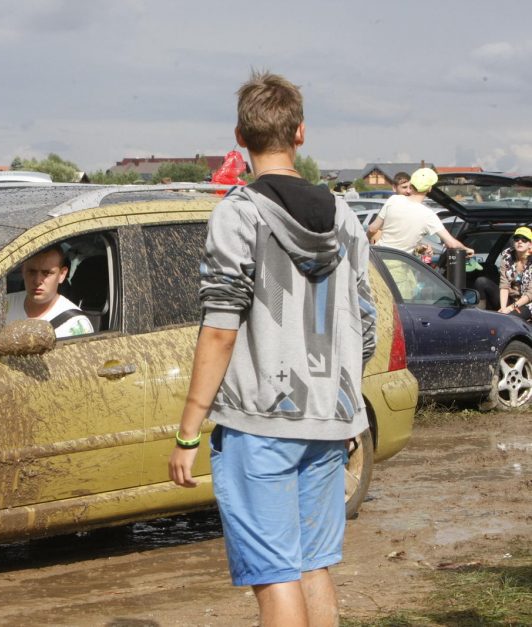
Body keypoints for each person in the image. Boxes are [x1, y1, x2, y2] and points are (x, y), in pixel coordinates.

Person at [168, 71, 376, 627]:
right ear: (300, 133)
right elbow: (367, 321)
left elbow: (219, 327)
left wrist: (189, 431)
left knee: (274, 573)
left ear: (240, 135)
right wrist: (347, 406)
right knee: (314, 565)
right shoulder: (346, 216)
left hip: (260, 423)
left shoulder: (238, 214)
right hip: (329, 419)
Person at [367, 167, 473, 256]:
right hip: (398, 263)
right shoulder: (428, 215)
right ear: (430, 188)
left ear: (411, 185)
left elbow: (372, 228)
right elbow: (451, 244)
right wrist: (467, 249)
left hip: (377, 259)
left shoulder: (393, 200)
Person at [6, 245, 93, 338]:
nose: (37, 281)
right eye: (32, 271)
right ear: (23, 271)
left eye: (46, 273)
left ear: (62, 275)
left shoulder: (76, 325)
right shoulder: (1, 307)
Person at [473, 226, 532, 319]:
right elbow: (504, 285)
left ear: (530, 244)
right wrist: (503, 308)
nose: (520, 242)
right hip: (510, 298)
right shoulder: (508, 256)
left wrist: (509, 309)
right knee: (481, 282)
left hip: (527, 303)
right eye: (517, 239)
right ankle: (478, 316)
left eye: (524, 239)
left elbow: (530, 294)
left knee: (509, 318)